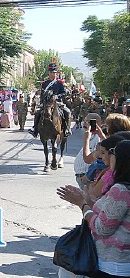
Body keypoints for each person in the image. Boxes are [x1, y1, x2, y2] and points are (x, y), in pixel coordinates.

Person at [57, 139, 130, 277]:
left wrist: (82, 204)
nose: (108, 156)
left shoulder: (121, 190)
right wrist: (86, 200)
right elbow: (108, 215)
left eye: (113, 152)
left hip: (113, 266)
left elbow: (103, 227)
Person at [28, 61, 72, 138]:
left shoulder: (59, 83)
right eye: (51, 72)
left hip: (57, 103)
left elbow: (64, 93)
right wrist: (41, 101)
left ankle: (67, 129)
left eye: (54, 72)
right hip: (46, 103)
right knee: (38, 113)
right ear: (49, 73)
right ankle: (35, 129)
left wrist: (57, 97)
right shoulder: (45, 83)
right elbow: (42, 93)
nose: (53, 74)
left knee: (67, 112)